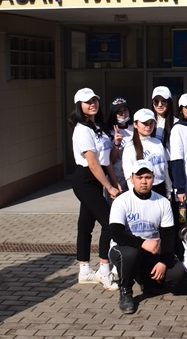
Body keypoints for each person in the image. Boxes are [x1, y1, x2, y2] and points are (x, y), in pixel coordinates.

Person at [109, 160, 187, 314]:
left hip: (152, 251)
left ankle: (147, 281)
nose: (144, 181)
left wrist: (163, 261)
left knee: (178, 273)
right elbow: (116, 233)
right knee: (130, 254)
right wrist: (142, 243)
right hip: (124, 249)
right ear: (132, 178)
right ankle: (126, 292)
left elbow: (169, 236)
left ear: (153, 178)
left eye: (147, 177)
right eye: (139, 177)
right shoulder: (121, 201)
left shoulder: (162, 202)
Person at [70, 87, 121, 291]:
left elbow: (106, 160)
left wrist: (114, 182)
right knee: (109, 223)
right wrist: (109, 187)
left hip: (97, 178)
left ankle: (84, 270)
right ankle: (104, 271)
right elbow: (92, 163)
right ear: (79, 106)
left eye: (94, 100)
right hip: (85, 179)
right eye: (87, 101)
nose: (92, 104)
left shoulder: (97, 127)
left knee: (86, 224)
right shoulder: (81, 130)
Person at [122, 108, 172, 199]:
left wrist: (169, 191)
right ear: (135, 124)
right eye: (144, 123)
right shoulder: (130, 147)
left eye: (151, 123)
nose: (148, 126)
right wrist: (135, 196)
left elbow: (165, 168)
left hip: (161, 189)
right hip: (143, 191)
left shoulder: (157, 142)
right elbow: (129, 176)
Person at [108, 97, 134, 195]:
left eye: (125, 110)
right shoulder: (109, 133)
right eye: (119, 112)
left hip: (134, 173)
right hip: (118, 175)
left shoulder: (136, 128)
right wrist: (117, 143)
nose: (123, 114)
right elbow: (110, 160)